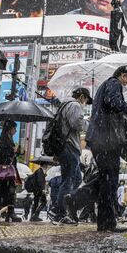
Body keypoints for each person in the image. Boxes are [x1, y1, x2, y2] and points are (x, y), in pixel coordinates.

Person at [85, 65, 127, 232]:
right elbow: (113, 102)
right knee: (110, 180)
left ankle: (103, 221)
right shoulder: (114, 83)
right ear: (123, 75)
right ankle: (107, 223)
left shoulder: (105, 85)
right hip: (105, 139)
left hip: (99, 137)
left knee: (105, 178)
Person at [51, 88, 91, 221]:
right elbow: (77, 124)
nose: (85, 103)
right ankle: (60, 213)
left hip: (66, 147)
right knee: (68, 181)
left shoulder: (64, 105)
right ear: (81, 96)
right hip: (70, 147)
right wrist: (88, 123)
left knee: (76, 179)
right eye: (85, 99)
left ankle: (63, 206)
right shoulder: (74, 105)